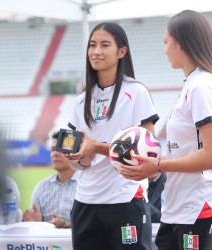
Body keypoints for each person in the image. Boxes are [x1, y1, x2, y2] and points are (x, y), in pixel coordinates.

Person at [120, 10, 212, 250]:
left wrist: (158, 165)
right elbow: (186, 152)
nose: (164, 50)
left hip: (204, 209)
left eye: (167, 42)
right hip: (181, 211)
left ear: (182, 43)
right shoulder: (193, 85)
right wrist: (151, 163)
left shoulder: (202, 86)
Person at [65, 22, 159, 250]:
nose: (96, 51)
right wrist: (79, 158)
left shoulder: (136, 92)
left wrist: (95, 147)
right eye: (92, 45)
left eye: (104, 45)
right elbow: (72, 154)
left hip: (125, 200)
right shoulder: (81, 99)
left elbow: (148, 153)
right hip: (85, 203)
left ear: (121, 51)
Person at [22, 131, 79, 228]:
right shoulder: (42, 186)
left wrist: (66, 225)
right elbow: (36, 223)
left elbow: (94, 224)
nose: (55, 153)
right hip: (46, 243)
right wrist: (37, 222)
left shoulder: (85, 185)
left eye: (61, 150)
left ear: (75, 153)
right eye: (53, 149)